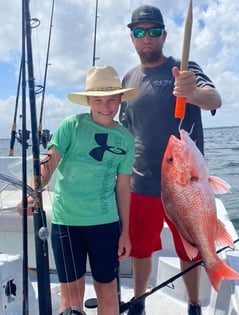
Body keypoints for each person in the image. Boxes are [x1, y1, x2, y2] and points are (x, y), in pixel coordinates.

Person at [119, 5, 222, 315]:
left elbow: (214, 99)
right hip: (142, 182)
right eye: (139, 32)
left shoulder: (184, 67)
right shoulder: (129, 78)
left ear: (164, 35)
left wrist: (191, 94)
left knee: (189, 249)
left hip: (183, 183)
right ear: (132, 38)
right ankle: (139, 301)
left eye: (153, 31)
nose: (146, 37)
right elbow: (125, 132)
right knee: (140, 249)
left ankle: (193, 305)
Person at [22, 66, 138, 315]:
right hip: (67, 224)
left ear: (120, 100)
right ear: (88, 100)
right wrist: (33, 191)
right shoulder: (71, 126)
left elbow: (123, 187)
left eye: (112, 100)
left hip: (106, 224)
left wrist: (125, 232)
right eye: (98, 100)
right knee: (71, 295)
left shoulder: (126, 139)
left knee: (107, 291)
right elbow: (48, 164)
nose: (105, 107)